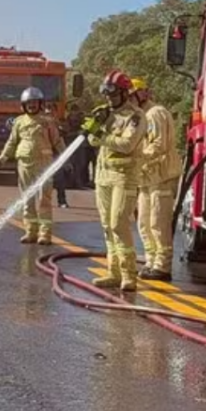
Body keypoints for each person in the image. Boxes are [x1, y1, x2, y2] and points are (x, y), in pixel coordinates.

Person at [86, 70, 146, 291]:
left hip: (124, 177)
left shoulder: (136, 116)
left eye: (113, 94)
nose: (109, 99)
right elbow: (92, 140)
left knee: (118, 224)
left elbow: (127, 144)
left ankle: (129, 274)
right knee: (106, 226)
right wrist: (96, 125)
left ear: (124, 93)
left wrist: (102, 135)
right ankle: (113, 272)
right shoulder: (106, 113)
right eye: (106, 95)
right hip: (103, 176)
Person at [0, 87, 65, 244]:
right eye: (28, 103)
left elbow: (57, 141)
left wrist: (65, 159)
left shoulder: (48, 121)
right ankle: (30, 231)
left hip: (44, 165)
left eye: (34, 103)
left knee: (44, 199)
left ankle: (45, 234)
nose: (31, 106)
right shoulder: (19, 122)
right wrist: (0, 160)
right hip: (24, 164)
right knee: (27, 198)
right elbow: (11, 143)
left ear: (40, 104)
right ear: (23, 105)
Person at [133, 77, 183, 281]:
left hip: (161, 175)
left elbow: (158, 145)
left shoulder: (155, 114)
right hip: (146, 177)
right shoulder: (139, 116)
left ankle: (162, 266)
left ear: (142, 94)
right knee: (144, 222)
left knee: (158, 221)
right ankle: (151, 260)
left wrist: (134, 157)